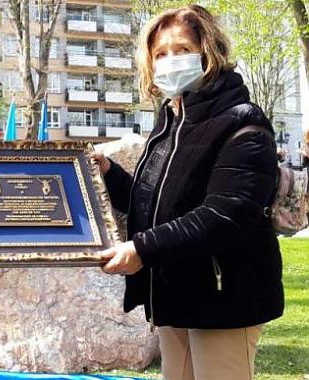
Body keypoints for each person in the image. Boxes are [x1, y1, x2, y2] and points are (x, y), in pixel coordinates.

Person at [92, 5, 283, 380]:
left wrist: (142, 249)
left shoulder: (243, 124)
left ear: (209, 51)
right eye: (160, 53)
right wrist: (110, 174)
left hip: (225, 300)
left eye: (181, 49)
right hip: (173, 295)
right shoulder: (170, 123)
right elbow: (155, 204)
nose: (169, 61)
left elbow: (225, 215)